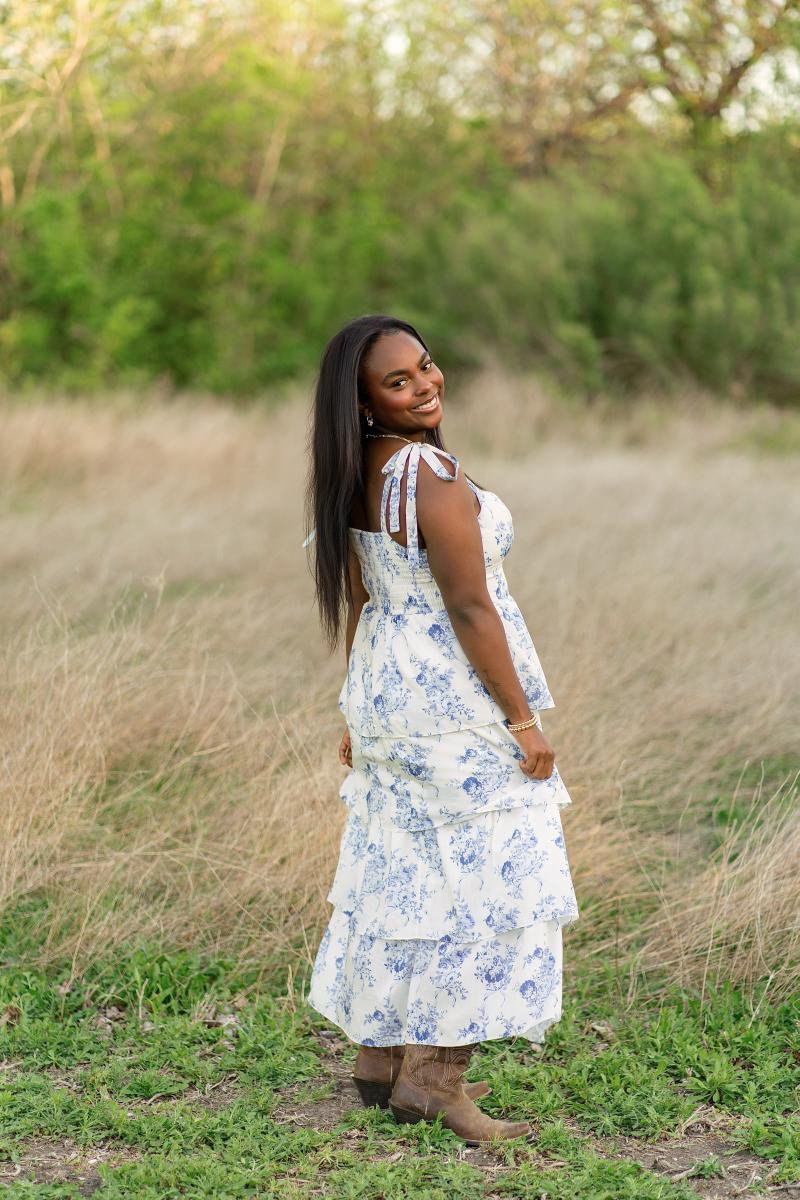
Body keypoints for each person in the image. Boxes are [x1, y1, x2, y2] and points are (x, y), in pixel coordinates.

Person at [302, 314, 579, 1146]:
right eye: (399, 380)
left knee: (402, 862)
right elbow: (468, 605)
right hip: (451, 698)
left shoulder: (353, 472)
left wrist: (356, 708)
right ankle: (434, 1081)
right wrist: (522, 720)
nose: (425, 385)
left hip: (389, 688)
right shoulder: (431, 473)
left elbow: (362, 600)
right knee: (488, 876)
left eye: (426, 367)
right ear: (363, 400)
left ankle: (379, 1059)